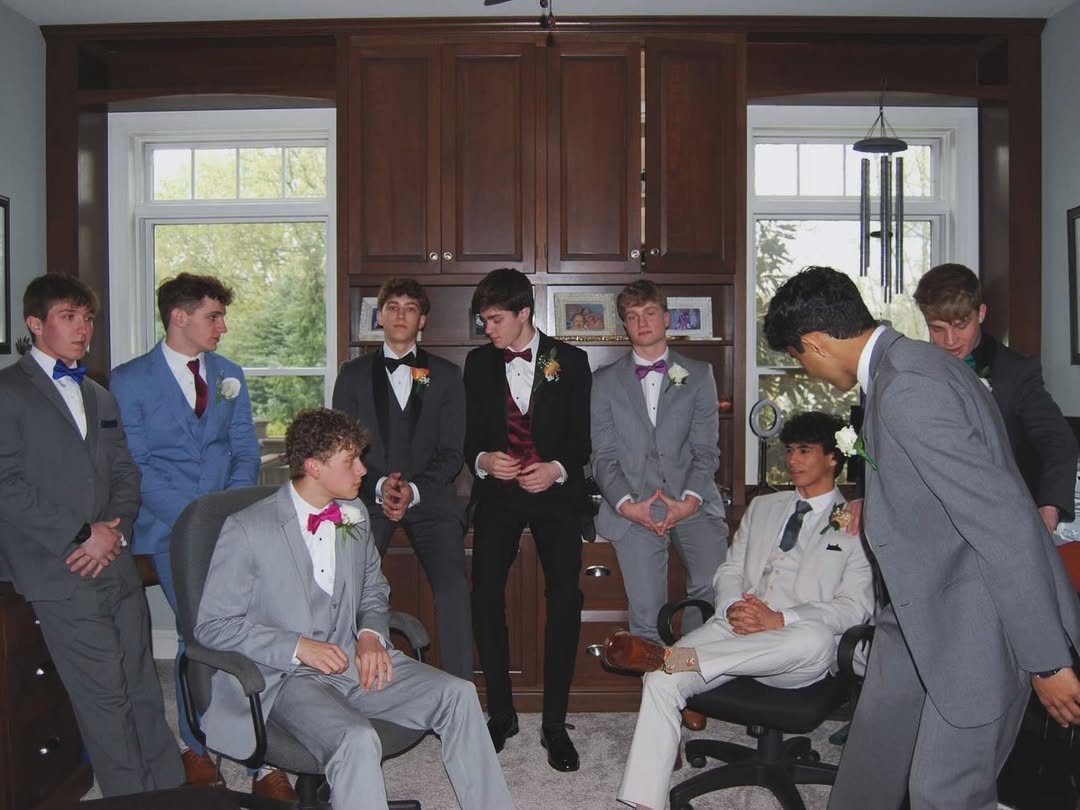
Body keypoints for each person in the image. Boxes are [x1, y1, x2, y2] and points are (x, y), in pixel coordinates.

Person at [763, 266, 1080, 810]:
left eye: (799, 357)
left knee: (944, 791)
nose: (805, 369)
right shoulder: (909, 364)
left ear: (814, 343)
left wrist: (1046, 660)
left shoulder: (908, 388)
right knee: (872, 767)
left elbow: (1003, 522)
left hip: (977, 617)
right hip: (916, 607)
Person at [194, 408, 512, 810]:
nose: (363, 469)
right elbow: (213, 626)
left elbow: (374, 589)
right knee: (357, 739)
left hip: (354, 663)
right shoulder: (247, 529)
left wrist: (371, 635)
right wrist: (298, 646)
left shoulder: (355, 514)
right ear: (314, 467)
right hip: (285, 678)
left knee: (459, 694)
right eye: (351, 461)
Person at [605, 410, 873, 810]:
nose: (792, 460)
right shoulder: (763, 506)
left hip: (795, 649)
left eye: (804, 451)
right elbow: (729, 569)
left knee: (816, 638)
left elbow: (855, 608)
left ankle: (672, 658)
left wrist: (779, 619)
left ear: (833, 457)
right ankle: (644, 802)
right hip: (736, 626)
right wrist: (735, 607)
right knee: (661, 680)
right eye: (789, 450)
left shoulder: (855, 522)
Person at [0, 274, 183, 796]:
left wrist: (113, 532)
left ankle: (172, 794)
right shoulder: (8, 392)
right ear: (35, 324)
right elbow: (6, 483)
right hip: (59, 567)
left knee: (143, 687)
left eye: (87, 318)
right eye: (68, 317)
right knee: (105, 697)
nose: (82, 328)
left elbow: (126, 473)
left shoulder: (99, 395)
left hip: (114, 560)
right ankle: (130, 799)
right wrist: (81, 534)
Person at [109, 273, 280, 794]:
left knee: (255, 625)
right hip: (169, 528)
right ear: (179, 317)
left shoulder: (229, 374)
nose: (222, 327)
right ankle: (198, 746)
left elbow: (245, 450)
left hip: (231, 524)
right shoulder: (129, 380)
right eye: (214, 316)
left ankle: (261, 757)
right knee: (199, 632)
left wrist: (229, 513)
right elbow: (136, 464)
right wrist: (197, 521)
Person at [465, 267, 592, 771]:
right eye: (484, 321)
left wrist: (556, 468)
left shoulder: (572, 360)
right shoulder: (477, 364)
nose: (488, 329)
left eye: (496, 320)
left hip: (555, 495)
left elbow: (582, 439)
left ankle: (554, 723)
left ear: (524, 313)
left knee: (565, 598)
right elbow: (469, 436)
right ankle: (501, 714)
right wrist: (484, 460)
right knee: (483, 594)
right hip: (499, 495)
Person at [332, 278, 472, 681]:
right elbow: (343, 447)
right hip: (365, 498)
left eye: (410, 308)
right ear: (380, 316)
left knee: (454, 590)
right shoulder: (353, 374)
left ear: (422, 319)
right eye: (392, 307)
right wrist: (379, 486)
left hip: (430, 500)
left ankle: (460, 691)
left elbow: (452, 451)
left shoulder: (446, 375)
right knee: (346, 587)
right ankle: (343, 681)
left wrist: (413, 489)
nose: (400, 315)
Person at [591, 280, 728, 643]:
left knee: (713, 585)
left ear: (666, 318)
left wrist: (690, 501)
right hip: (634, 505)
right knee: (647, 612)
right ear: (625, 325)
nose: (642, 322)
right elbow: (602, 456)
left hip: (692, 500)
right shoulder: (603, 382)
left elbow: (706, 450)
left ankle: (692, 665)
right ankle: (653, 676)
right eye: (632, 316)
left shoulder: (699, 374)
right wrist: (627, 505)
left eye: (650, 313)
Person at [914, 262, 1078, 534]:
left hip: (1002, 521)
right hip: (931, 522)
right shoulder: (915, 371)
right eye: (937, 329)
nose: (950, 340)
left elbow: (1058, 441)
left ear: (981, 313)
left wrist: (1049, 507)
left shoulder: (1016, 372)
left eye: (960, 325)